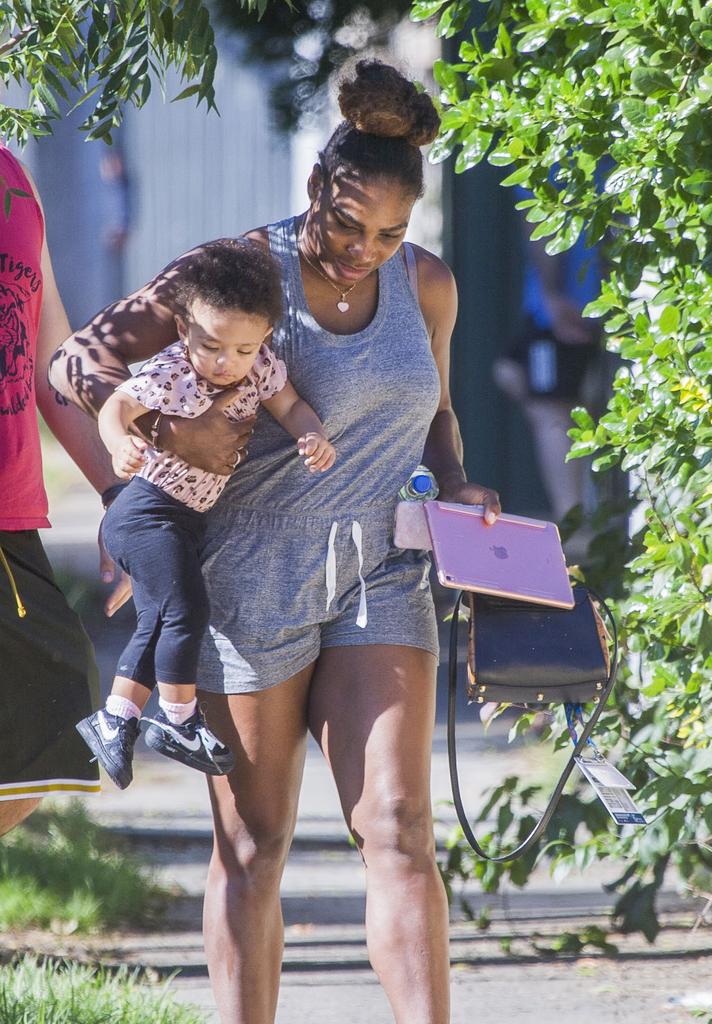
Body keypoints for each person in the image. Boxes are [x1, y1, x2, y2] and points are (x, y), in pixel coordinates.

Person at [50, 59, 500, 1024]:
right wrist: (158, 443)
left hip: (384, 570)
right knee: (254, 845)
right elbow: (75, 362)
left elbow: (438, 414)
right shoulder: (238, 269)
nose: (363, 251)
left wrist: (458, 481)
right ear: (313, 192)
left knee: (399, 827)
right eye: (345, 226)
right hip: (246, 580)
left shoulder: (427, 287)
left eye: (388, 234)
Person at [76, 240, 336, 789]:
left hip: (186, 520)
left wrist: (310, 433)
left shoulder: (260, 368)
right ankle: (178, 720)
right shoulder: (173, 373)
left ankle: (114, 718)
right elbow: (117, 406)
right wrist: (119, 441)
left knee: (159, 619)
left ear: (263, 338)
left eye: (242, 349)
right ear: (184, 334)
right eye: (211, 346)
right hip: (146, 513)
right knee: (188, 609)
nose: (226, 364)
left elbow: (289, 405)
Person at [0, 141, 126, 834]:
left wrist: (119, 494)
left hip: (9, 516)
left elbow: (53, 361)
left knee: (58, 709)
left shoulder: (15, 177)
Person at [494, 195, 604, 525]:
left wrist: (553, 297)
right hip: (565, 307)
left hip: (566, 310)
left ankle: (572, 520)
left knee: (551, 408)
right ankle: (576, 516)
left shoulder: (551, 155)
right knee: (509, 371)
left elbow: (541, 226)